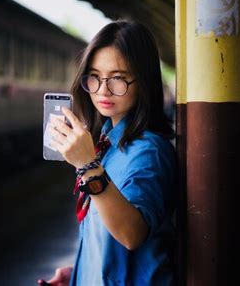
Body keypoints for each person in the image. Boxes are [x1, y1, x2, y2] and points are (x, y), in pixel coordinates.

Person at [38, 20, 176, 285]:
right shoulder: (108, 144)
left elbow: (132, 234)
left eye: (118, 78)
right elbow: (108, 237)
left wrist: (88, 166)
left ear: (144, 81)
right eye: (95, 76)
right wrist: (79, 271)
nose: (103, 89)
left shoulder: (148, 151)